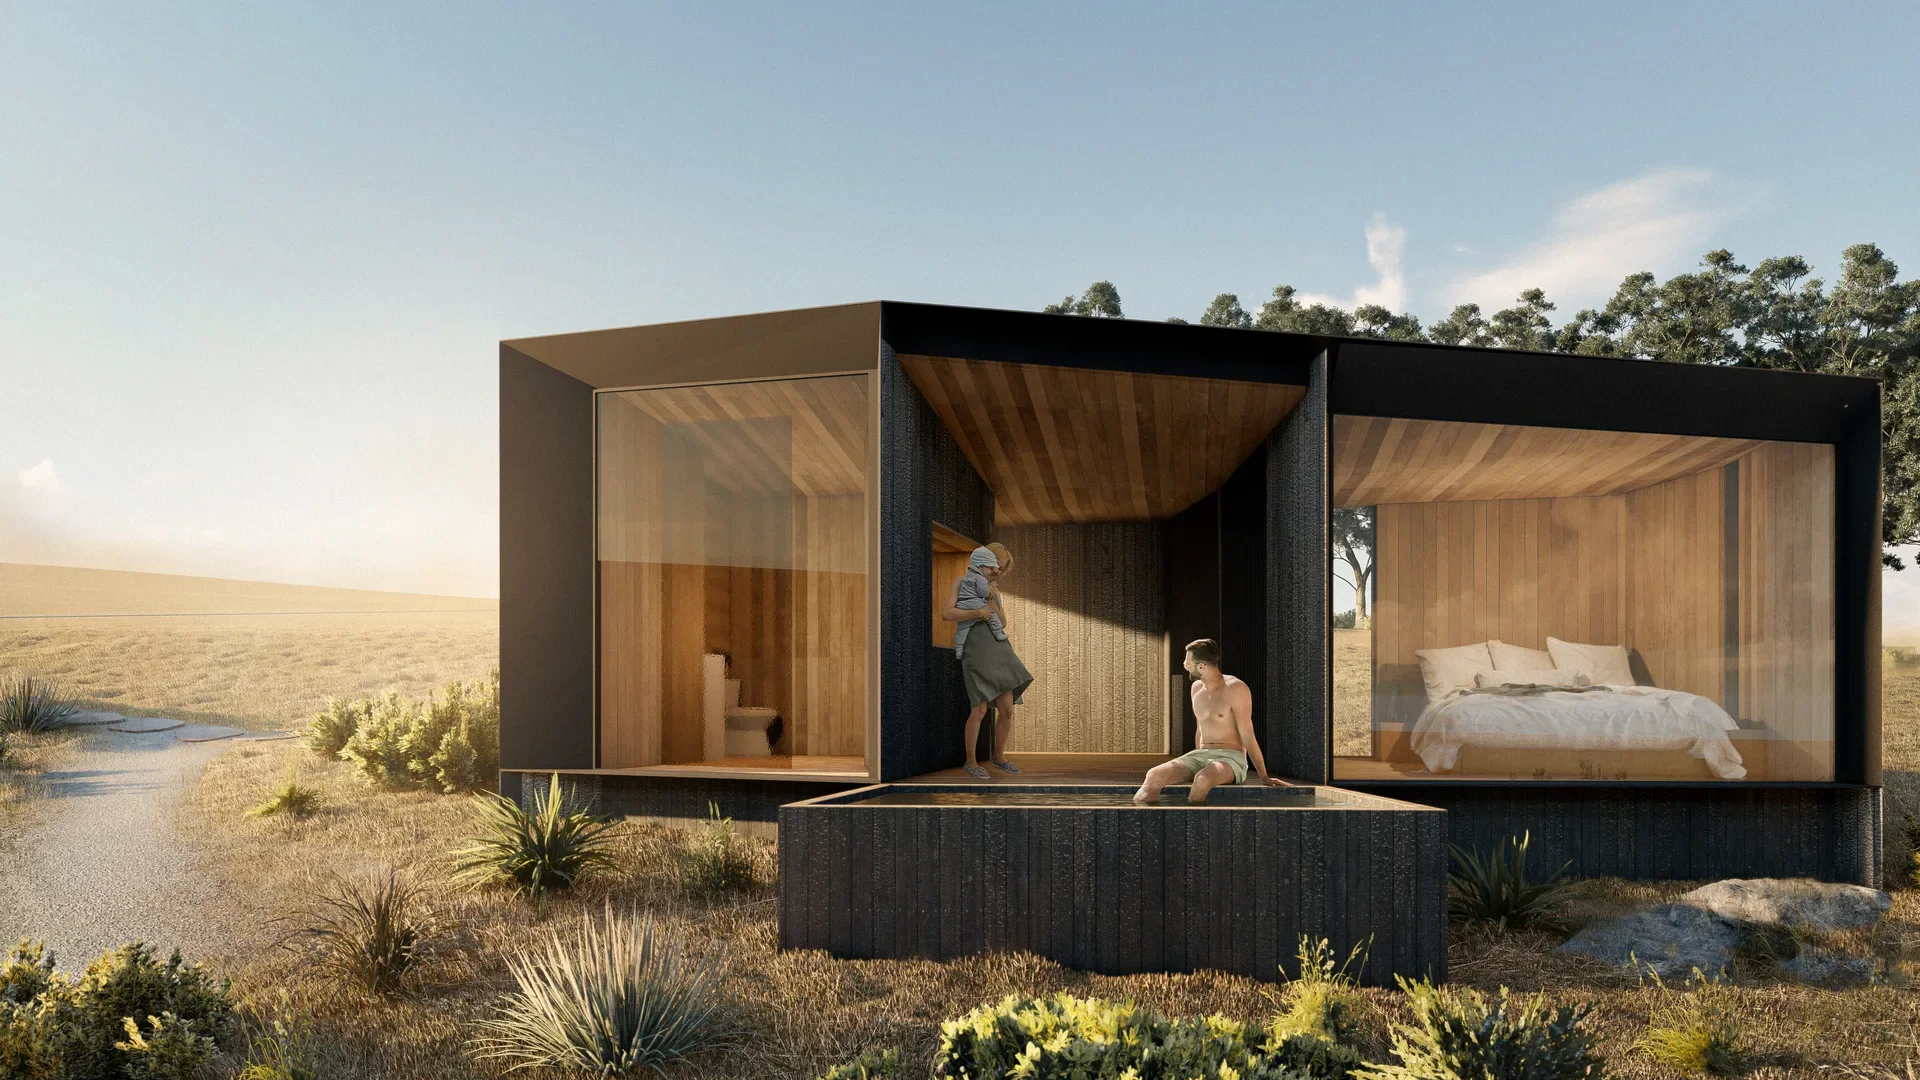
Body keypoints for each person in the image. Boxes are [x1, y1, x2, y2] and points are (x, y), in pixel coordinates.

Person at [1134, 638, 1280, 804]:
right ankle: (1142, 821)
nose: (1184, 664)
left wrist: (1264, 776)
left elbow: (1247, 734)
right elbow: (1200, 729)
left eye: (1188, 662)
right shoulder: (1196, 688)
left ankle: (1192, 825)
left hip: (1231, 759)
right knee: (1154, 775)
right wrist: (1196, 763)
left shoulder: (1236, 688)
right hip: (1201, 755)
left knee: (1202, 779)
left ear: (1201, 666)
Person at [943, 544, 1032, 779]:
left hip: (998, 648)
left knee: (1007, 708)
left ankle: (999, 757)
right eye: (997, 568)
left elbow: (1002, 623)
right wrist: (975, 613)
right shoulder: (960, 582)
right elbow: (947, 613)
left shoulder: (994, 590)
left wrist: (991, 598)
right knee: (979, 708)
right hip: (975, 648)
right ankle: (971, 762)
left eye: (1002, 571)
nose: (998, 574)